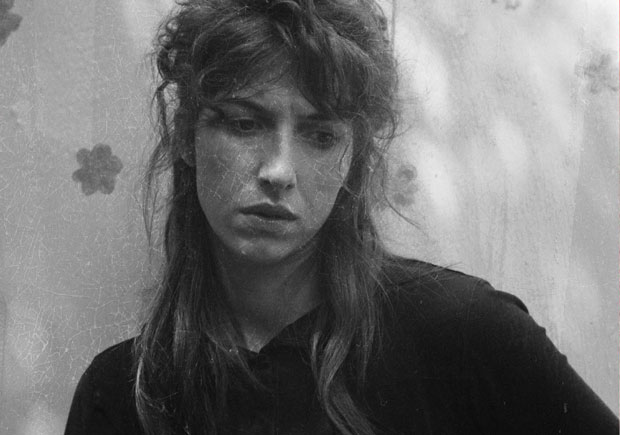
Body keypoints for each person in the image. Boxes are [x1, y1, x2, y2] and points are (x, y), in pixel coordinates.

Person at [64, 0, 618, 434]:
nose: (278, 171)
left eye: (320, 135)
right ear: (188, 136)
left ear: (352, 160)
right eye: (244, 124)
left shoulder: (467, 335)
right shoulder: (122, 394)